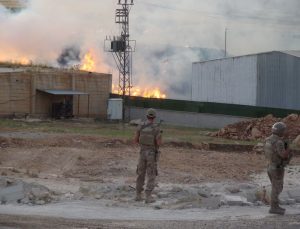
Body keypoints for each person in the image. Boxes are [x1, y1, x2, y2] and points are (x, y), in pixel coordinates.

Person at [134, 108, 162, 203]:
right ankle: (148, 196)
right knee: (151, 174)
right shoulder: (156, 128)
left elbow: (136, 140)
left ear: (146, 116)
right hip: (151, 153)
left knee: (140, 173)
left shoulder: (140, 126)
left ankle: (138, 195)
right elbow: (158, 143)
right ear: (154, 117)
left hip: (142, 153)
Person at [264, 122, 293, 215]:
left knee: (275, 187)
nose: (285, 132)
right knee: (277, 188)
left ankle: (275, 205)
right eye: (284, 130)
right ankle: (274, 207)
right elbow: (283, 155)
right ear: (280, 131)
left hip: (269, 166)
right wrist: (288, 147)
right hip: (277, 168)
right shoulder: (279, 142)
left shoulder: (268, 139)